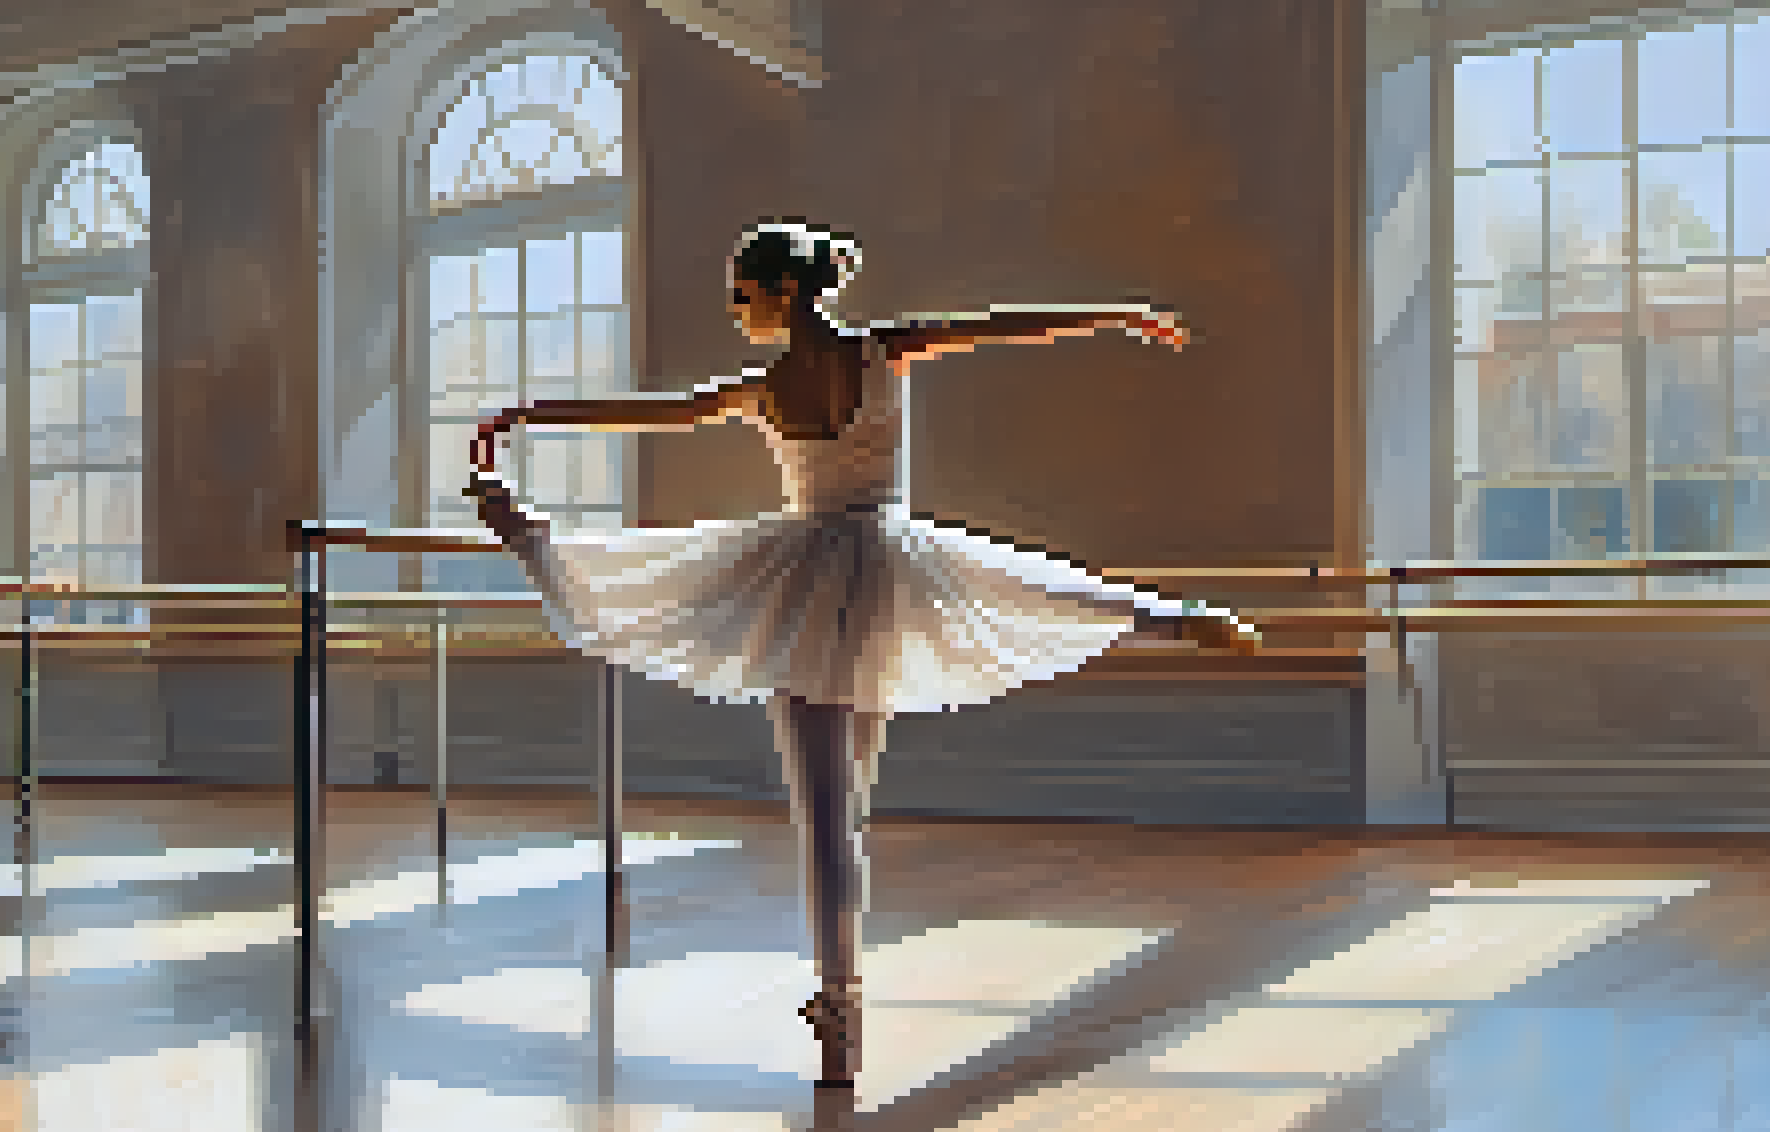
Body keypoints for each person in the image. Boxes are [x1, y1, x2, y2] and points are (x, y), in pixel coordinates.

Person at [461, 221, 1258, 1087]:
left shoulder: (764, 387)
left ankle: (838, 1014)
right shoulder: (881, 352)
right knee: (1017, 593)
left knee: (827, 817)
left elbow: (664, 414)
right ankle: (1169, 615)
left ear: (782, 291)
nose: (736, 307)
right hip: (881, 569)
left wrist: (532, 413)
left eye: (743, 292)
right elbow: (1002, 324)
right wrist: (1118, 315)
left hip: (807, 584)